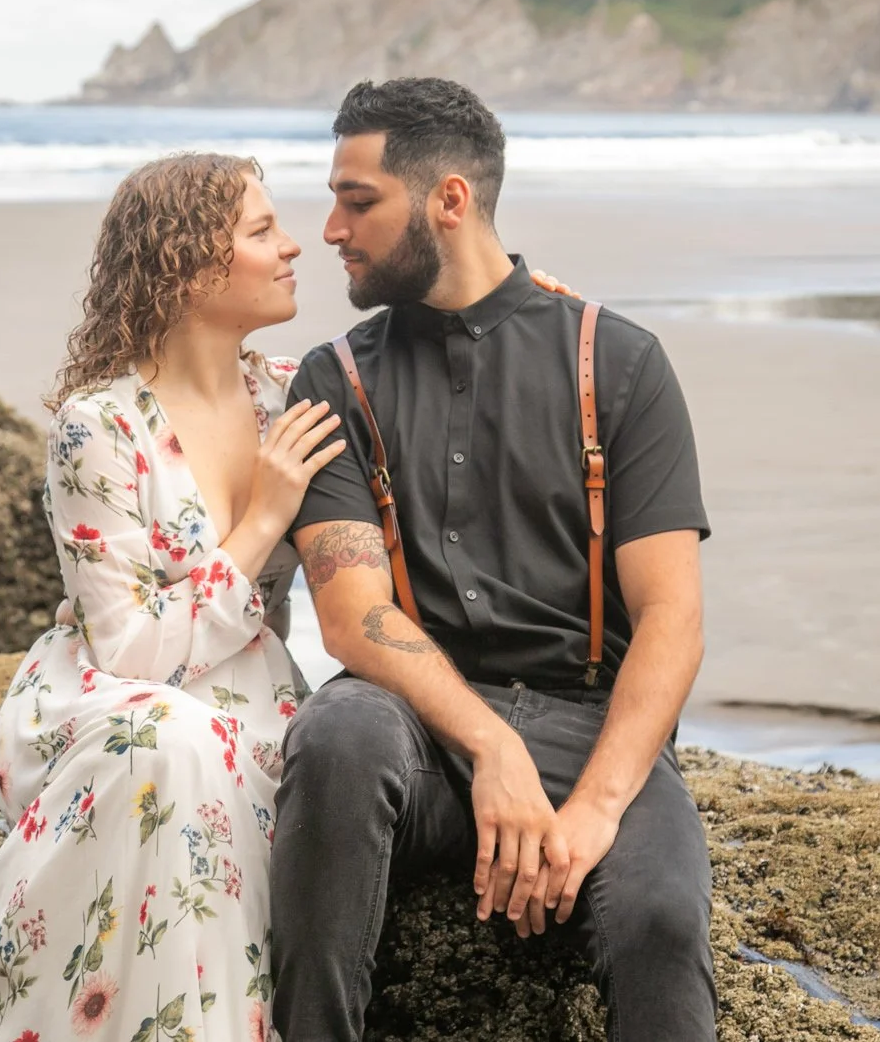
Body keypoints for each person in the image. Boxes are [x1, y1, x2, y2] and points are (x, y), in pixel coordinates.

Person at [272, 78, 717, 1041]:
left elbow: (674, 620)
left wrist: (597, 807)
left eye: (358, 200)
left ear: (450, 199)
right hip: (419, 729)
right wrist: (490, 743)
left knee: (660, 919)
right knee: (338, 731)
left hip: (593, 723)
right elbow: (353, 615)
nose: (330, 229)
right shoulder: (332, 378)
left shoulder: (621, 362)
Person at [0, 152, 343, 1042]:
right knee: (171, 744)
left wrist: (524, 307)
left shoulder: (291, 392)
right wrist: (261, 522)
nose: (293, 245)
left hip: (256, 700)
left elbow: (429, 379)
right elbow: (130, 652)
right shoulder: (97, 428)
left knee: (228, 752)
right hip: (112, 703)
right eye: (261, 231)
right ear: (187, 263)